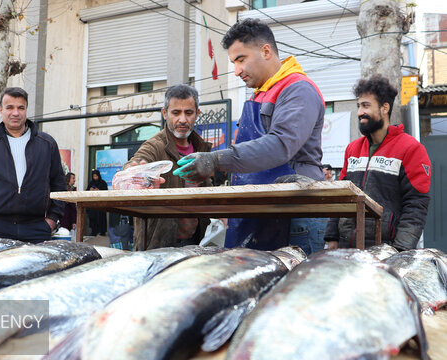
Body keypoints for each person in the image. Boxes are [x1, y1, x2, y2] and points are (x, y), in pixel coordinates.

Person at [174, 18, 325, 252]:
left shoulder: (298, 89)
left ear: (266, 51)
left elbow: (280, 144)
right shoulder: (259, 95)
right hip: (258, 211)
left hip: (295, 212)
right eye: (234, 62)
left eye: (240, 60)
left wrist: (216, 159)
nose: (237, 71)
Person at [325, 76, 431, 250]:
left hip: (386, 252)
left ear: (384, 108)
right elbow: (340, 195)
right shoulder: (352, 149)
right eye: (359, 106)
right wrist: (332, 238)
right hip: (347, 250)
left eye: (366, 105)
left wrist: (400, 251)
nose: (359, 112)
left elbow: (416, 205)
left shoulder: (411, 149)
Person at [0, 87, 66, 243]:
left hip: (37, 228)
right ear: (1, 110)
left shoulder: (47, 144)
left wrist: (51, 220)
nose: (15, 113)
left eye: (21, 107)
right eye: (10, 107)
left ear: (26, 110)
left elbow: (59, 185)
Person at [124, 84, 212, 250]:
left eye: (189, 113)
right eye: (176, 113)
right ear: (165, 114)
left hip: (194, 242)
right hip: (156, 246)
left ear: (197, 114)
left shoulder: (201, 149)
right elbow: (136, 162)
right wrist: (134, 172)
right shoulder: (155, 146)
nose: (183, 120)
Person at [86, 169, 108, 236]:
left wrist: (99, 190)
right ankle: (94, 231)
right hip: (93, 204)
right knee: (93, 217)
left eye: (96, 176)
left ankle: (102, 231)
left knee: (101, 218)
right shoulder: (91, 183)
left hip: (100, 204)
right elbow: (87, 191)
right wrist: (90, 190)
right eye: (94, 176)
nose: (95, 178)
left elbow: (106, 192)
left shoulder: (103, 183)